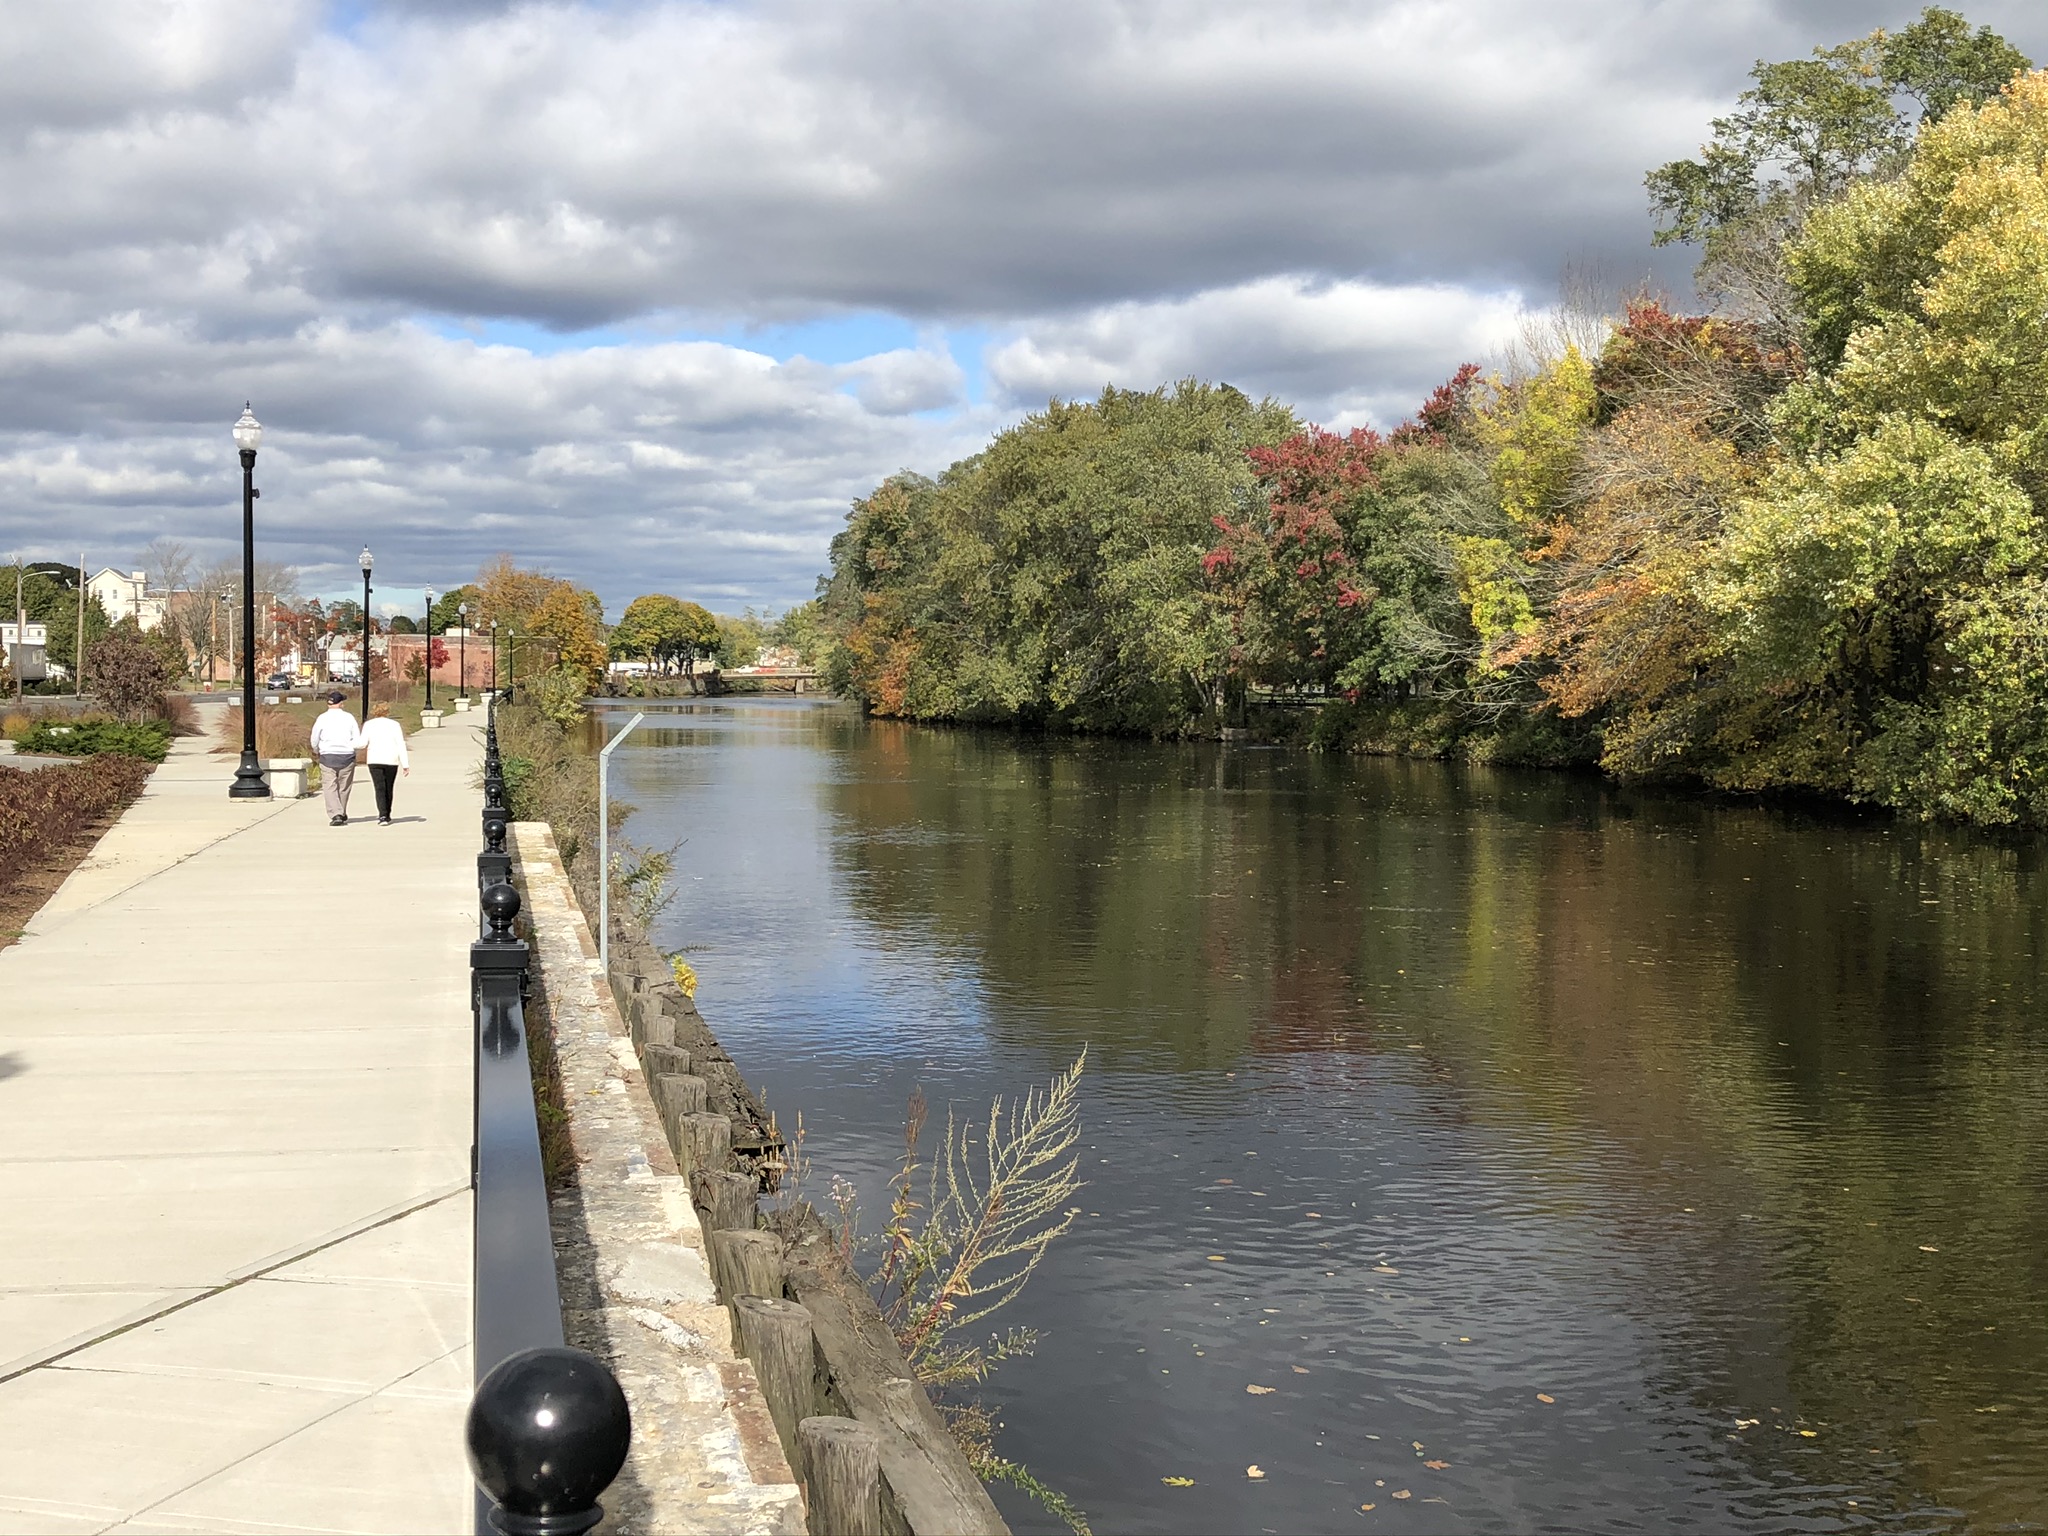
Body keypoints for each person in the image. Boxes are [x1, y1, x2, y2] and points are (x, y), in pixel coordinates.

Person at [309, 691, 361, 826]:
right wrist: (353, 749)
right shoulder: (349, 718)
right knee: (344, 786)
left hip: (328, 756)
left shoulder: (322, 718)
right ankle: (341, 811)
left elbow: (314, 738)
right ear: (341, 704)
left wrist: (316, 750)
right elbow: (356, 738)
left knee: (330, 786)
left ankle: (335, 813)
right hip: (346, 756)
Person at [359, 702, 410, 825]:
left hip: (374, 760)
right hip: (391, 760)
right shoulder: (394, 725)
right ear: (387, 712)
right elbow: (400, 744)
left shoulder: (368, 725)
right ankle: (387, 814)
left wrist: (348, 744)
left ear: (374, 712)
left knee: (379, 788)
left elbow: (362, 743)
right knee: (389, 787)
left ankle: (382, 815)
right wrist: (405, 763)